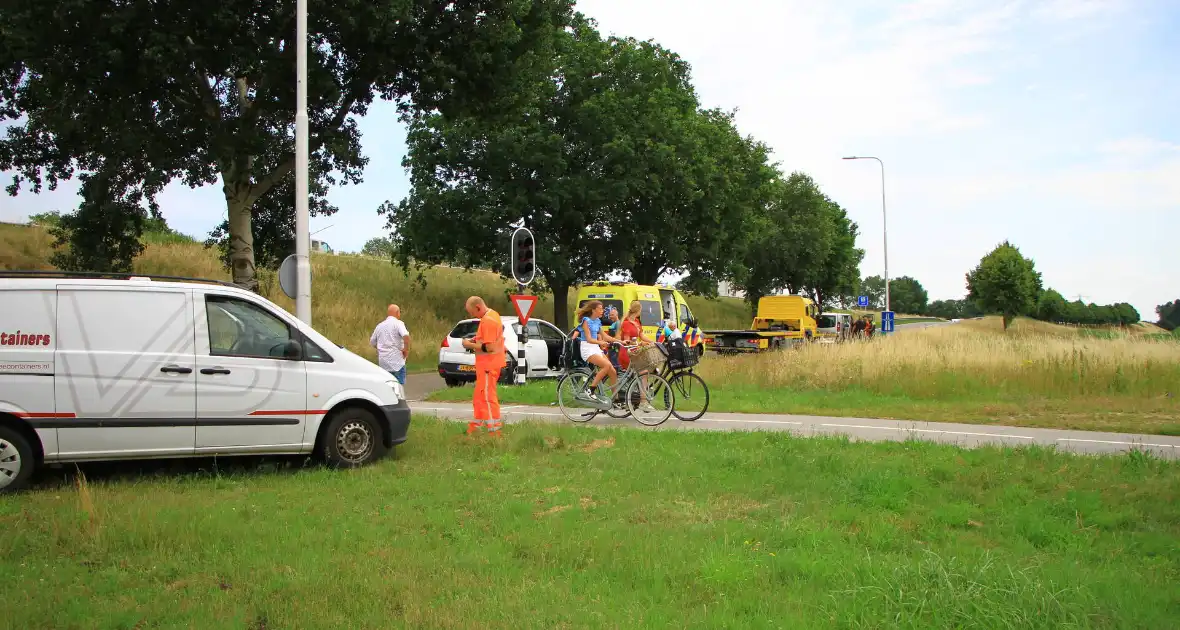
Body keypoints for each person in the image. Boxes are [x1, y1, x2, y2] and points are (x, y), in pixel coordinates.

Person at [460, 296, 506, 436]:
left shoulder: (488, 321)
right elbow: (488, 339)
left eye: (472, 312)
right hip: (488, 365)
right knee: (479, 397)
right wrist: (476, 340)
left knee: (487, 397)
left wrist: (469, 344)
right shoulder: (493, 315)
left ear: (478, 307)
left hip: (488, 365)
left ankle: (495, 431)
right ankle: (476, 428)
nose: (472, 315)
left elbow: (489, 347)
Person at [575, 300, 619, 403]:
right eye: (600, 309)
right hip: (587, 348)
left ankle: (615, 399)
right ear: (593, 310)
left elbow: (606, 336)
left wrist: (621, 341)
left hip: (595, 348)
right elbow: (589, 339)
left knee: (612, 372)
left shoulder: (597, 321)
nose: (603, 311)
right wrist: (601, 343)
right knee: (606, 365)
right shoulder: (586, 321)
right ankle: (591, 390)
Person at [369, 304, 411, 385]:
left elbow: (372, 342)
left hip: (383, 363)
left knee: (386, 386)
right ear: (397, 312)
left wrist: (380, 348)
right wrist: (406, 349)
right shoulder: (398, 323)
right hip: (397, 362)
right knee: (399, 387)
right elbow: (406, 336)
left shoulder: (380, 326)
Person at [618, 300, 655, 371]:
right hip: (628, 352)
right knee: (644, 371)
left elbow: (642, 336)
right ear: (638, 310)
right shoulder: (626, 323)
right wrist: (640, 343)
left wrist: (653, 342)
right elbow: (627, 342)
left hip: (635, 351)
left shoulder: (636, 321)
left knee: (645, 369)